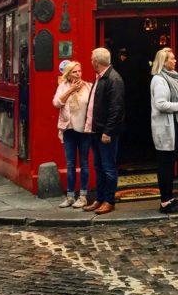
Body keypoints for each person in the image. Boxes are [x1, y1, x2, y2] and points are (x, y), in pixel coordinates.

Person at [150, 48, 178, 215]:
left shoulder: (173, 78)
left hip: (175, 126)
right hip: (165, 128)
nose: (175, 61)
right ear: (164, 61)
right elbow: (161, 104)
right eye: (172, 58)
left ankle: (169, 198)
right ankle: (165, 202)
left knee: (170, 164)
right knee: (165, 166)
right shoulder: (159, 80)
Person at [82, 47, 124, 215]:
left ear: (97, 62)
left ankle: (109, 200)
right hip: (96, 130)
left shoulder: (113, 79)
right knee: (99, 167)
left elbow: (116, 109)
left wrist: (108, 131)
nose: (91, 61)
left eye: (92, 59)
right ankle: (99, 199)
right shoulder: (101, 78)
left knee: (108, 167)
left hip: (105, 133)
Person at [52, 60, 92, 208]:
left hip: (84, 130)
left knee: (84, 163)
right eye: (74, 72)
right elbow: (56, 103)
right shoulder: (62, 87)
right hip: (68, 129)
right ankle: (70, 196)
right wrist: (69, 91)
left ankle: (83, 196)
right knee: (70, 164)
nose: (78, 74)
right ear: (68, 75)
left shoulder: (88, 86)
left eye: (79, 71)